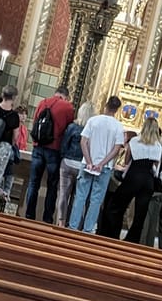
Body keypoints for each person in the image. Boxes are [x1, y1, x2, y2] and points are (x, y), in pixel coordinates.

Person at [100, 116, 162, 242]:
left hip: (134, 176)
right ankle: (132, 240)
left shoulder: (135, 141)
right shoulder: (158, 146)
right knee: (140, 214)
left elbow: (127, 160)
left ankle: (112, 234)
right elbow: (157, 164)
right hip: (148, 180)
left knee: (116, 205)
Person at [68, 95, 125, 233]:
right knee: (96, 200)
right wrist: (101, 163)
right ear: (117, 110)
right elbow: (116, 149)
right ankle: (87, 230)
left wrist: (89, 161)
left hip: (87, 164)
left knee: (80, 196)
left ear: (105, 106)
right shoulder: (118, 126)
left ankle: (73, 227)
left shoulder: (93, 120)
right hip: (104, 168)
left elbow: (83, 142)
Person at [25, 86, 75, 223]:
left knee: (33, 183)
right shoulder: (68, 107)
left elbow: (35, 121)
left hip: (38, 146)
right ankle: (47, 218)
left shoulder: (43, 102)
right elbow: (69, 129)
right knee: (52, 185)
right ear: (66, 96)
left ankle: (29, 215)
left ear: (56, 93)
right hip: (54, 149)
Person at [56, 101, 94, 226]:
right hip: (82, 165)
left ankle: (61, 221)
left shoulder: (72, 127)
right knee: (77, 197)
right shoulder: (92, 131)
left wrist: (63, 157)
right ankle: (72, 223)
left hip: (68, 163)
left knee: (63, 194)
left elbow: (64, 144)